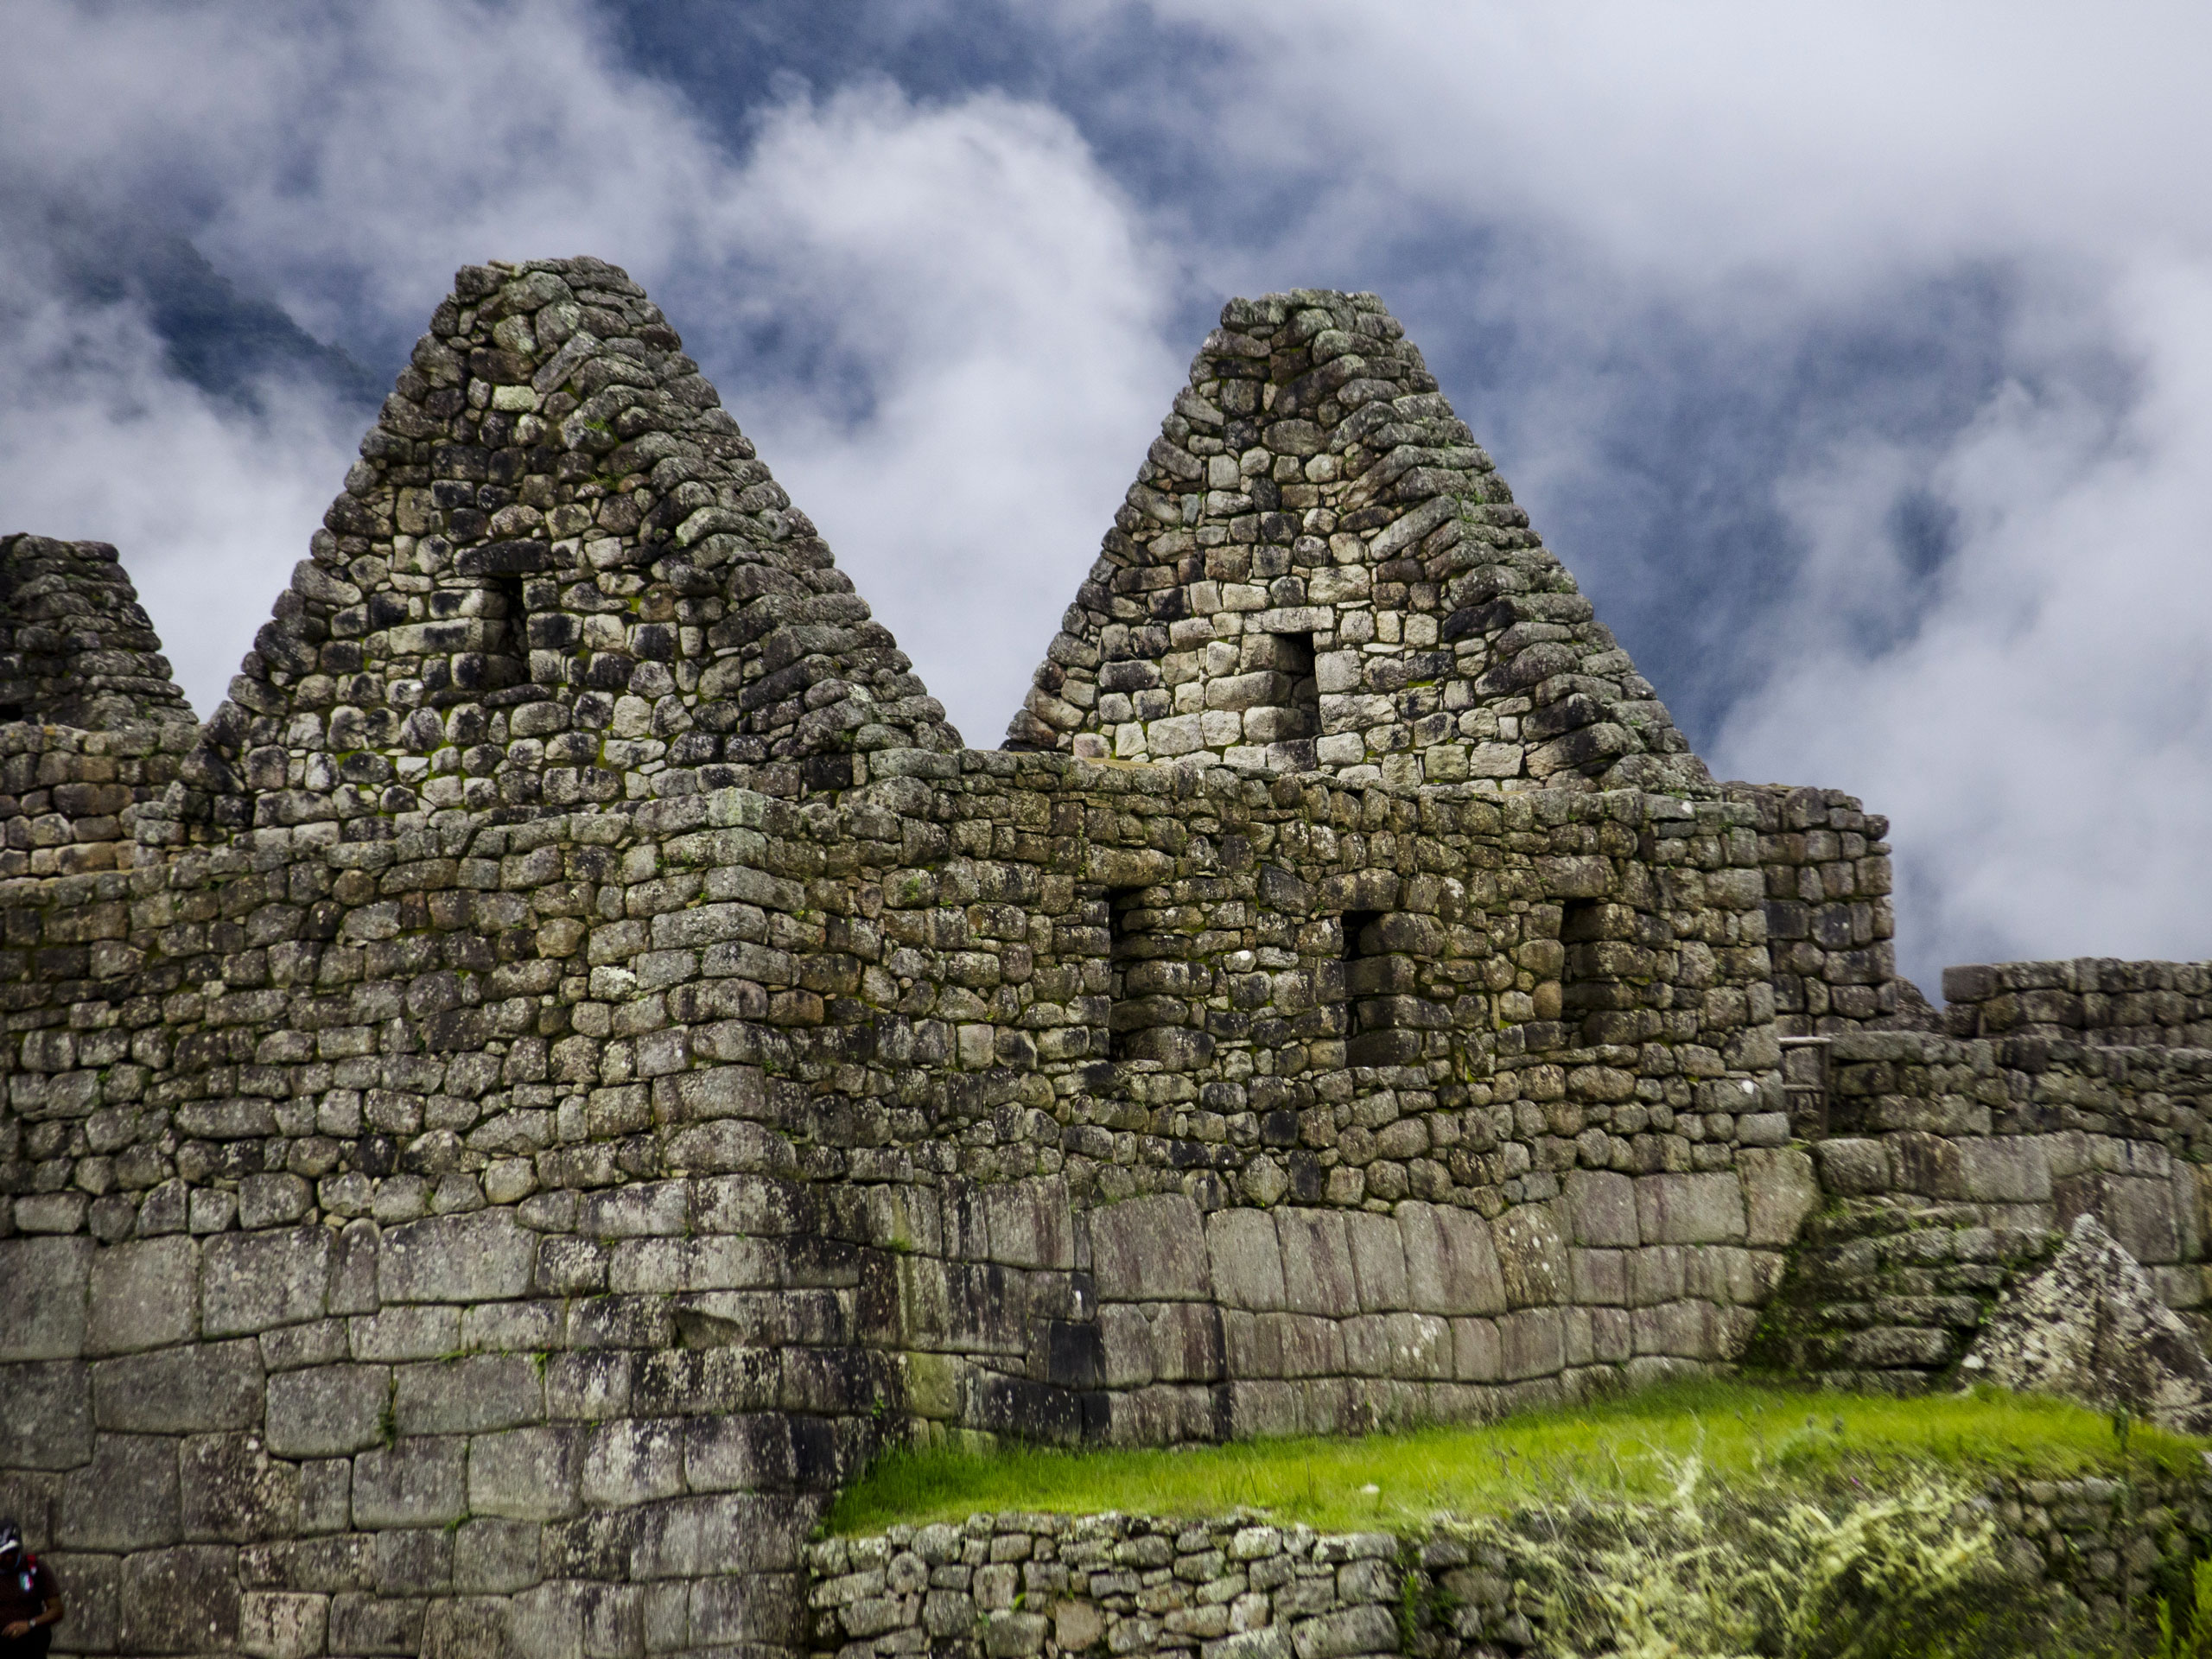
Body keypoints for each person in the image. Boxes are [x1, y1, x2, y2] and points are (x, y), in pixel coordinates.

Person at [0, 1522, 61, 1657]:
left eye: (6, 1554)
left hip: (31, 1646)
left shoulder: (34, 1568)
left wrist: (29, 1624)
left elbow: (57, 1610)